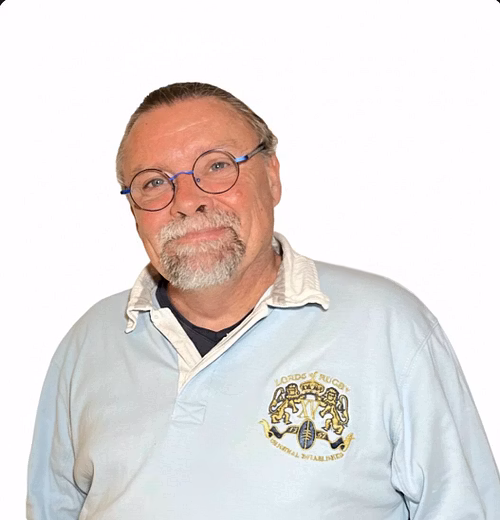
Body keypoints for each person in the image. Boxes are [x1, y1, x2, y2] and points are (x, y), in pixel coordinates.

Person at [27, 82, 500, 520]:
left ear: (271, 177)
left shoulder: (388, 327)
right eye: (153, 182)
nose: (186, 200)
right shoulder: (88, 344)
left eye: (216, 166)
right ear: (133, 209)